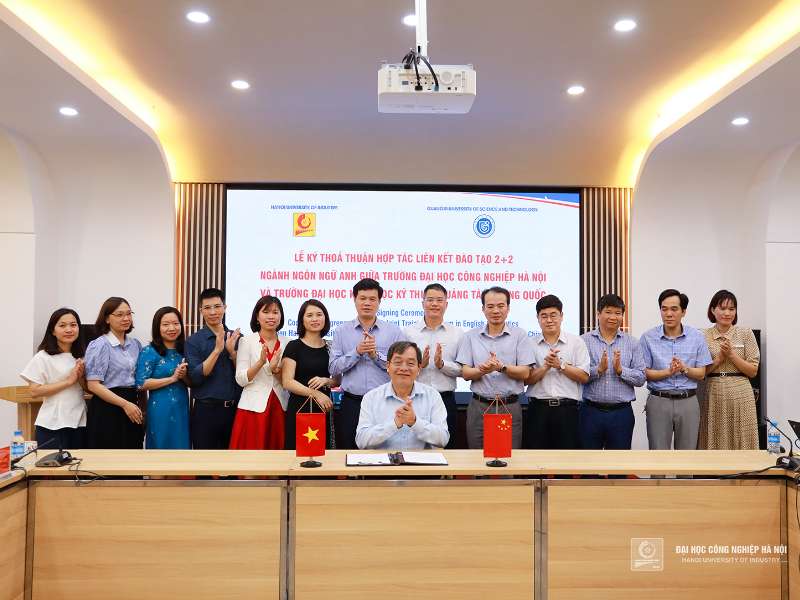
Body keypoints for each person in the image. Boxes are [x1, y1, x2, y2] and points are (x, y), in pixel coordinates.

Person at [455, 286, 535, 449]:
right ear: (483, 309)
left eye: (500, 306)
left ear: (508, 308)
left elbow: (525, 372)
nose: (496, 310)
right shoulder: (470, 336)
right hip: (479, 406)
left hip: (509, 406)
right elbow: (465, 373)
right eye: (490, 306)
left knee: (508, 464)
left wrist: (502, 367)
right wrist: (482, 370)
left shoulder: (520, 335)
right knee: (477, 460)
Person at [329, 278, 404, 449]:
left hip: (384, 403)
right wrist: (356, 353)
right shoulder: (341, 331)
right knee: (349, 451)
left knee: (384, 453)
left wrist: (375, 355)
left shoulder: (393, 332)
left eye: (372, 299)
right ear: (354, 300)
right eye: (362, 298)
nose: (367, 303)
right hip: (351, 403)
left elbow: (400, 368)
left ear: (379, 302)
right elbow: (333, 368)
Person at [641, 289, 712, 450]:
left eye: (674, 309)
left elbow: (701, 374)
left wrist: (684, 368)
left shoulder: (697, 337)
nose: (669, 314)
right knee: (658, 455)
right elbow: (644, 373)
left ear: (683, 312)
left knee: (687, 458)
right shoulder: (648, 337)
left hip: (688, 401)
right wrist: (668, 372)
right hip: (659, 400)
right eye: (664, 309)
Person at [580, 294, 646, 450]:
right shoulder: (583, 341)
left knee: (619, 466)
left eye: (617, 313)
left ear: (622, 316)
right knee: (589, 464)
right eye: (608, 312)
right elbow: (578, 375)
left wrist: (621, 370)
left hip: (621, 413)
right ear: (598, 314)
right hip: (590, 412)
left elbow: (641, 378)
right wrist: (598, 370)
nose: (613, 317)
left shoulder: (632, 343)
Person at [524, 295, 590, 449]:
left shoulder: (576, 342)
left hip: (568, 411)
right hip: (538, 410)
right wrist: (546, 367)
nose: (549, 320)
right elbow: (526, 380)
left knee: (566, 463)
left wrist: (561, 365)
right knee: (537, 464)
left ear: (561, 316)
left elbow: (584, 377)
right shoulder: (529, 344)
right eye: (544, 316)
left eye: (553, 315)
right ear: (538, 318)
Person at [356, 341, 449, 449]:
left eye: (410, 363)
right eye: (398, 362)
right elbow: (361, 441)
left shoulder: (433, 396)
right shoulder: (371, 398)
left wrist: (415, 422)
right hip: (383, 464)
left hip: (421, 464)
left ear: (419, 368)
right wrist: (394, 424)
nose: (404, 368)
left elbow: (443, 439)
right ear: (388, 366)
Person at [402, 283, 463, 448]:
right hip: (416, 399)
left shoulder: (457, 333)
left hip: (445, 399)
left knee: (447, 448)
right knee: (415, 448)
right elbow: (400, 368)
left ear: (446, 304)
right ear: (423, 303)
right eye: (430, 300)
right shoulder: (408, 332)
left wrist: (442, 365)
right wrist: (418, 366)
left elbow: (463, 370)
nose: (434, 304)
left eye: (439, 300)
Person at [699, 290, 760, 450]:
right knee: (715, 436)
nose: (727, 313)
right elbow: (701, 372)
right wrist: (719, 358)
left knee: (743, 438)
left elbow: (753, 371)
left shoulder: (745, 333)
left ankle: (745, 473)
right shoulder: (702, 335)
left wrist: (732, 355)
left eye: (731, 309)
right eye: (722, 308)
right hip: (714, 391)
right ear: (713, 310)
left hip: (742, 393)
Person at [20, 308, 87, 449]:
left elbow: (86, 388)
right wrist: (68, 381)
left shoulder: (82, 355)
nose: (69, 329)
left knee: (78, 468)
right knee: (52, 469)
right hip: (52, 423)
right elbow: (34, 391)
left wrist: (80, 378)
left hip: (79, 421)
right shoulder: (43, 356)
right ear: (53, 330)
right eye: (62, 325)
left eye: (73, 325)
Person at [185, 288, 242, 449]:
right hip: (205, 410)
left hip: (233, 410)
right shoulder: (193, 341)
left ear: (225, 307)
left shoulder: (237, 337)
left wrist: (232, 353)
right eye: (208, 308)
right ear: (201, 310)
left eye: (217, 306)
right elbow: (196, 377)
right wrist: (217, 350)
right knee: (204, 464)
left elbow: (243, 376)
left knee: (232, 465)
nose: (213, 312)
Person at [84, 297, 144, 449]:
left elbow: (139, 379)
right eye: (119, 314)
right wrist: (124, 404)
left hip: (132, 404)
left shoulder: (135, 344)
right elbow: (93, 385)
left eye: (129, 314)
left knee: (131, 455)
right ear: (106, 318)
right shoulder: (99, 345)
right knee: (108, 459)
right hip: (107, 407)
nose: (126, 318)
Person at [231, 295, 289, 449]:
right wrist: (261, 363)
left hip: (280, 406)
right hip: (253, 409)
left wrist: (275, 371)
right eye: (266, 312)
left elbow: (288, 381)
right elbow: (240, 379)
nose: (271, 316)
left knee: (277, 461)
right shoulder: (247, 341)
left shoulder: (288, 343)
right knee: (251, 461)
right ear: (257, 316)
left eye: (275, 312)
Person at [282, 299, 337, 450]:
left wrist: (326, 380)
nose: (315, 319)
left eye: (319, 315)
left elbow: (338, 380)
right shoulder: (294, 346)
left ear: (325, 318)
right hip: (300, 407)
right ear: (302, 320)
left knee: (322, 454)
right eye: (310, 315)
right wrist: (315, 394)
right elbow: (287, 381)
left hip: (324, 407)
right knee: (298, 454)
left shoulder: (331, 346)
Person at [135, 307, 191, 449]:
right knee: (160, 449)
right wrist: (172, 378)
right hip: (160, 408)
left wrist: (183, 377)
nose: (172, 328)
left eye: (176, 323)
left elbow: (191, 383)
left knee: (181, 450)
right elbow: (141, 383)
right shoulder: (149, 351)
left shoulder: (185, 349)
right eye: (166, 324)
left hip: (182, 407)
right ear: (157, 327)